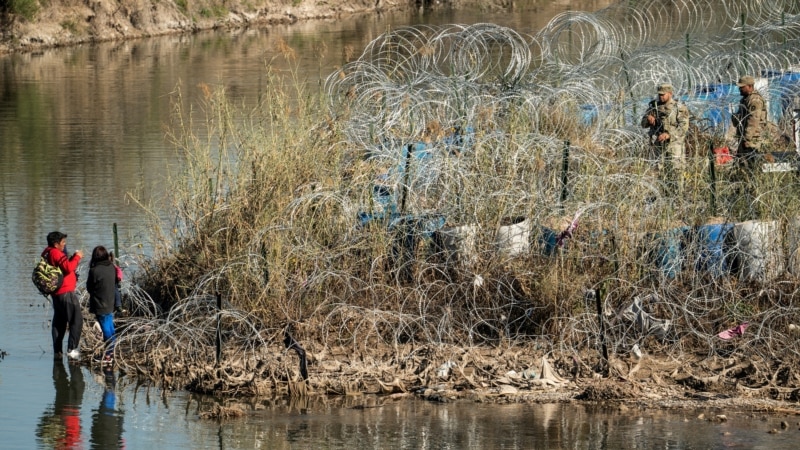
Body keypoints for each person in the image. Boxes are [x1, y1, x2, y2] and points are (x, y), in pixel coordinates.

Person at [641, 83, 690, 194]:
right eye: (659, 94)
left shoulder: (679, 108)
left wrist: (669, 135)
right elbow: (643, 125)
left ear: (670, 93)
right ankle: (663, 194)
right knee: (660, 170)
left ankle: (679, 195)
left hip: (674, 145)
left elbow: (684, 127)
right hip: (659, 144)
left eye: (663, 94)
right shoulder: (653, 108)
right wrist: (648, 119)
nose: (661, 97)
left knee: (677, 170)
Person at [730, 75, 768, 218]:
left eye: (742, 86)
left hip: (752, 142)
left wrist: (746, 138)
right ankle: (745, 200)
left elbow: (753, 120)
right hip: (744, 141)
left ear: (750, 87)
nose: (740, 89)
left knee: (752, 171)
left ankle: (755, 203)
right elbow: (741, 119)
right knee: (743, 171)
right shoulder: (745, 100)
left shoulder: (754, 100)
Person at [44, 231, 84, 360]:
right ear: (56, 244)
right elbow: (68, 268)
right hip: (65, 292)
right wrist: (77, 257)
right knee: (76, 320)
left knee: (59, 322)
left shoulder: (48, 252)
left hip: (57, 294)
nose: (64, 245)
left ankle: (57, 351)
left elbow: (64, 266)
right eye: (63, 242)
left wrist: (71, 258)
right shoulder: (56, 252)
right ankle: (71, 350)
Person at [87, 246, 117, 364]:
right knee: (110, 326)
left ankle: (109, 355)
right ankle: (112, 351)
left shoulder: (94, 270)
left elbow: (89, 287)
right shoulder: (111, 267)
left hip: (100, 304)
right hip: (110, 301)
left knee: (106, 329)